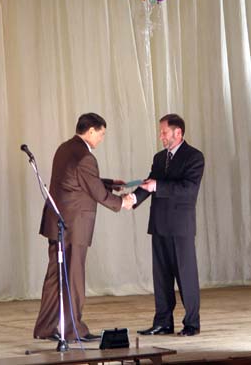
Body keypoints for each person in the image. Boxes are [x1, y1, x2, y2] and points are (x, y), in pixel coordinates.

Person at [33, 113, 133, 343]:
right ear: (91, 131)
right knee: (73, 277)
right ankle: (73, 330)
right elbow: (95, 190)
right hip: (73, 226)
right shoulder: (86, 157)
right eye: (101, 134)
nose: (101, 139)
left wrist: (109, 183)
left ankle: (45, 328)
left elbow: (77, 180)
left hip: (56, 223)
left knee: (55, 278)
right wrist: (121, 202)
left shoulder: (65, 148)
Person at [133, 114, 204, 337]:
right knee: (161, 277)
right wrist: (132, 199)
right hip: (159, 224)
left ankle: (192, 323)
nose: (161, 136)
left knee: (186, 276)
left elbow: (188, 189)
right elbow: (150, 183)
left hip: (181, 227)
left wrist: (158, 186)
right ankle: (163, 322)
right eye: (161, 132)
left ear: (178, 133)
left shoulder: (194, 157)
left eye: (164, 132)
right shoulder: (159, 158)